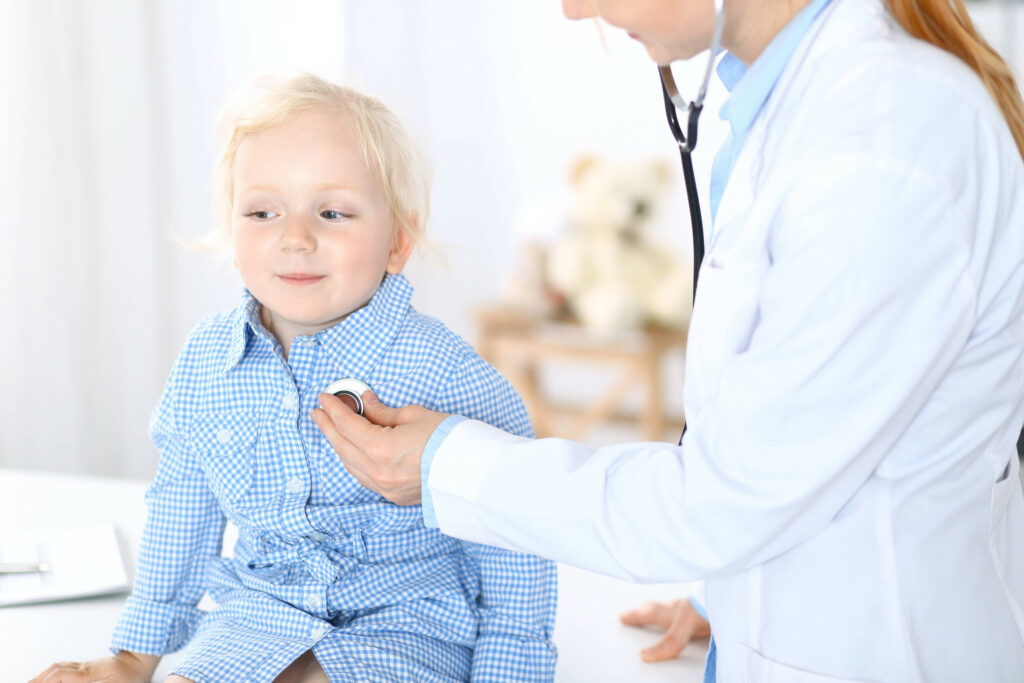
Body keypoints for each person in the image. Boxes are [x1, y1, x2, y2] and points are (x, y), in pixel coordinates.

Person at [312, 0, 1024, 681]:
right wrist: (736, 596)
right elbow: (807, 439)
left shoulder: (886, 142)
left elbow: (735, 494)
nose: (575, 10)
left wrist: (443, 465)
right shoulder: (798, 107)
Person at [32, 73, 556, 683]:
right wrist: (133, 658)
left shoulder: (446, 374)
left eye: (333, 212)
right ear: (232, 231)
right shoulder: (207, 365)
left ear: (398, 241)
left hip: (408, 622)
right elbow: (183, 510)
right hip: (256, 616)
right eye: (262, 211)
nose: (296, 238)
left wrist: (511, 670)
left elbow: (515, 532)